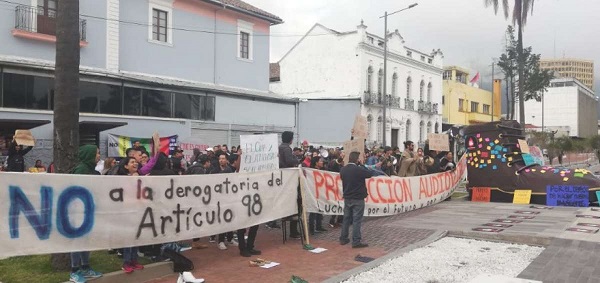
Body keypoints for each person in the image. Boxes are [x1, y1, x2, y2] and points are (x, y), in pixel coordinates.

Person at [69, 145, 103, 283]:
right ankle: (74, 271)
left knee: (86, 241)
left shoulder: (90, 170)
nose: (99, 156)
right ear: (89, 155)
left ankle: (85, 267)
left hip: (87, 210)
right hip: (78, 212)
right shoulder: (81, 169)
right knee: (77, 241)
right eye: (97, 153)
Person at [115, 157, 145, 274]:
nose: (135, 163)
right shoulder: (122, 179)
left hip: (136, 210)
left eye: (136, 162)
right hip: (126, 211)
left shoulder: (138, 176)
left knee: (135, 236)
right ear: (126, 166)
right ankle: (126, 262)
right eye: (132, 162)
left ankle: (134, 260)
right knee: (128, 238)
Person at [339, 151, 373, 248]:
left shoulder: (343, 169)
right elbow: (369, 174)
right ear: (357, 159)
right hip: (357, 198)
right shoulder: (358, 169)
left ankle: (343, 238)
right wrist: (362, 165)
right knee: (356, 220)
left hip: (347, 196)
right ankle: (356, 241)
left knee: (346, 218)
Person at [210, 154, 238, 250]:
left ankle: (230, 239)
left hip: (228, 198)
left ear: (226, 160)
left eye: (223, 159)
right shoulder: (214, 171)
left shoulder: (230, 170)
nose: (221, 160)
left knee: (230, 218)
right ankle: (221, 241)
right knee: (221, 220)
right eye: (220, 159)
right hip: (218, 199)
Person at [277, 131, 301, 238]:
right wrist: (296, 159)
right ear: (290, 139)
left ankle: (293, 230)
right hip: (289, 178)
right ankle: (293, 231)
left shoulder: (280, 147)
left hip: (284, 177)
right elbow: (289, 161)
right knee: (295, 203)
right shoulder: (286, 148)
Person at [308, 157, 328, 235]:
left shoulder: (321, 170)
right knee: (313, 211)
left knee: (320, 209)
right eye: (320, 161)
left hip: (320, 193)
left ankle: (319, 226)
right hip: (313, 193)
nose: (322, 162)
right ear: (316, 163)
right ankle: (311, 229)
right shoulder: (310, 171)